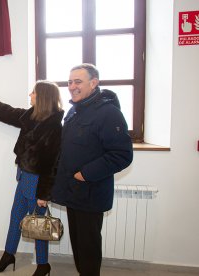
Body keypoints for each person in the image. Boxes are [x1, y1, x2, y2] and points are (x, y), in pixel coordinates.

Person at [51, 63, 133, 276]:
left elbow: (121, 155)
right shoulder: (74, 111)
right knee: (78, 246)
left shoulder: (108, 113)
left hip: (91, 193)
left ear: (93, 83)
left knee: (88, 249)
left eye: (78, 81)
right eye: (69, 82)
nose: (72, 86)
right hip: (73, 192)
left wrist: (85, 174)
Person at [0, 80, 64, 276]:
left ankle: (43, 265)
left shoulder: (54, 126)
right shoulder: (33, 116)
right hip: (24, 177)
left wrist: (43, 195)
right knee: (16, 218)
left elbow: (52, 164)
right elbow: (8, 112)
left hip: (37, 182)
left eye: (33, 92)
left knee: (39, 224)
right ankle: (8, 255)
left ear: (43, 97)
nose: (30, 95)